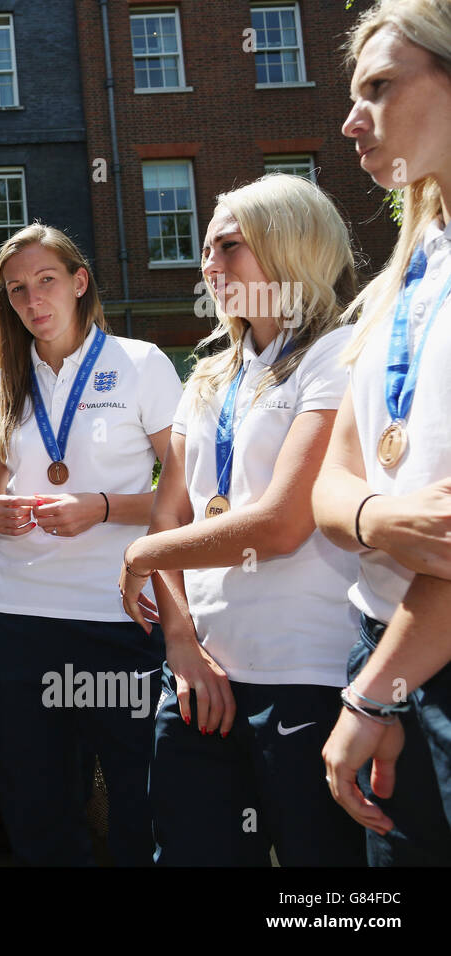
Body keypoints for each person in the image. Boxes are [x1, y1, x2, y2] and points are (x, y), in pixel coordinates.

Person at [119, 175, 366, 866]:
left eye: (230, 246)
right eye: (206, 250)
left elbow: (284, 522)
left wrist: (144, 556)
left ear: (290, 247)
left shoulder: (337, 358)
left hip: (308, 672)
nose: (210, 265)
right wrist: (180, 645)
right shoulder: (206, 377)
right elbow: (170, 512)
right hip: (199, 674)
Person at [0, 223, 182, 865]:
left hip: (113, 615)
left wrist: (104, 508)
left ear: (79, 282)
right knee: (35, 803)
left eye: (46, 281)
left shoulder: (142, 363)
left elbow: (189, 494)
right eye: (16, 291)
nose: (33, 301)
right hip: (17, 618)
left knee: (135, 797)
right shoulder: (2, 384)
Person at [314, 0, 451, 865]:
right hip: (390, 649)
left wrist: (374, 695)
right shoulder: (396, 281)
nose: (349, 118)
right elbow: (335, 480)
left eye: (380, 88)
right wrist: (375, 521)